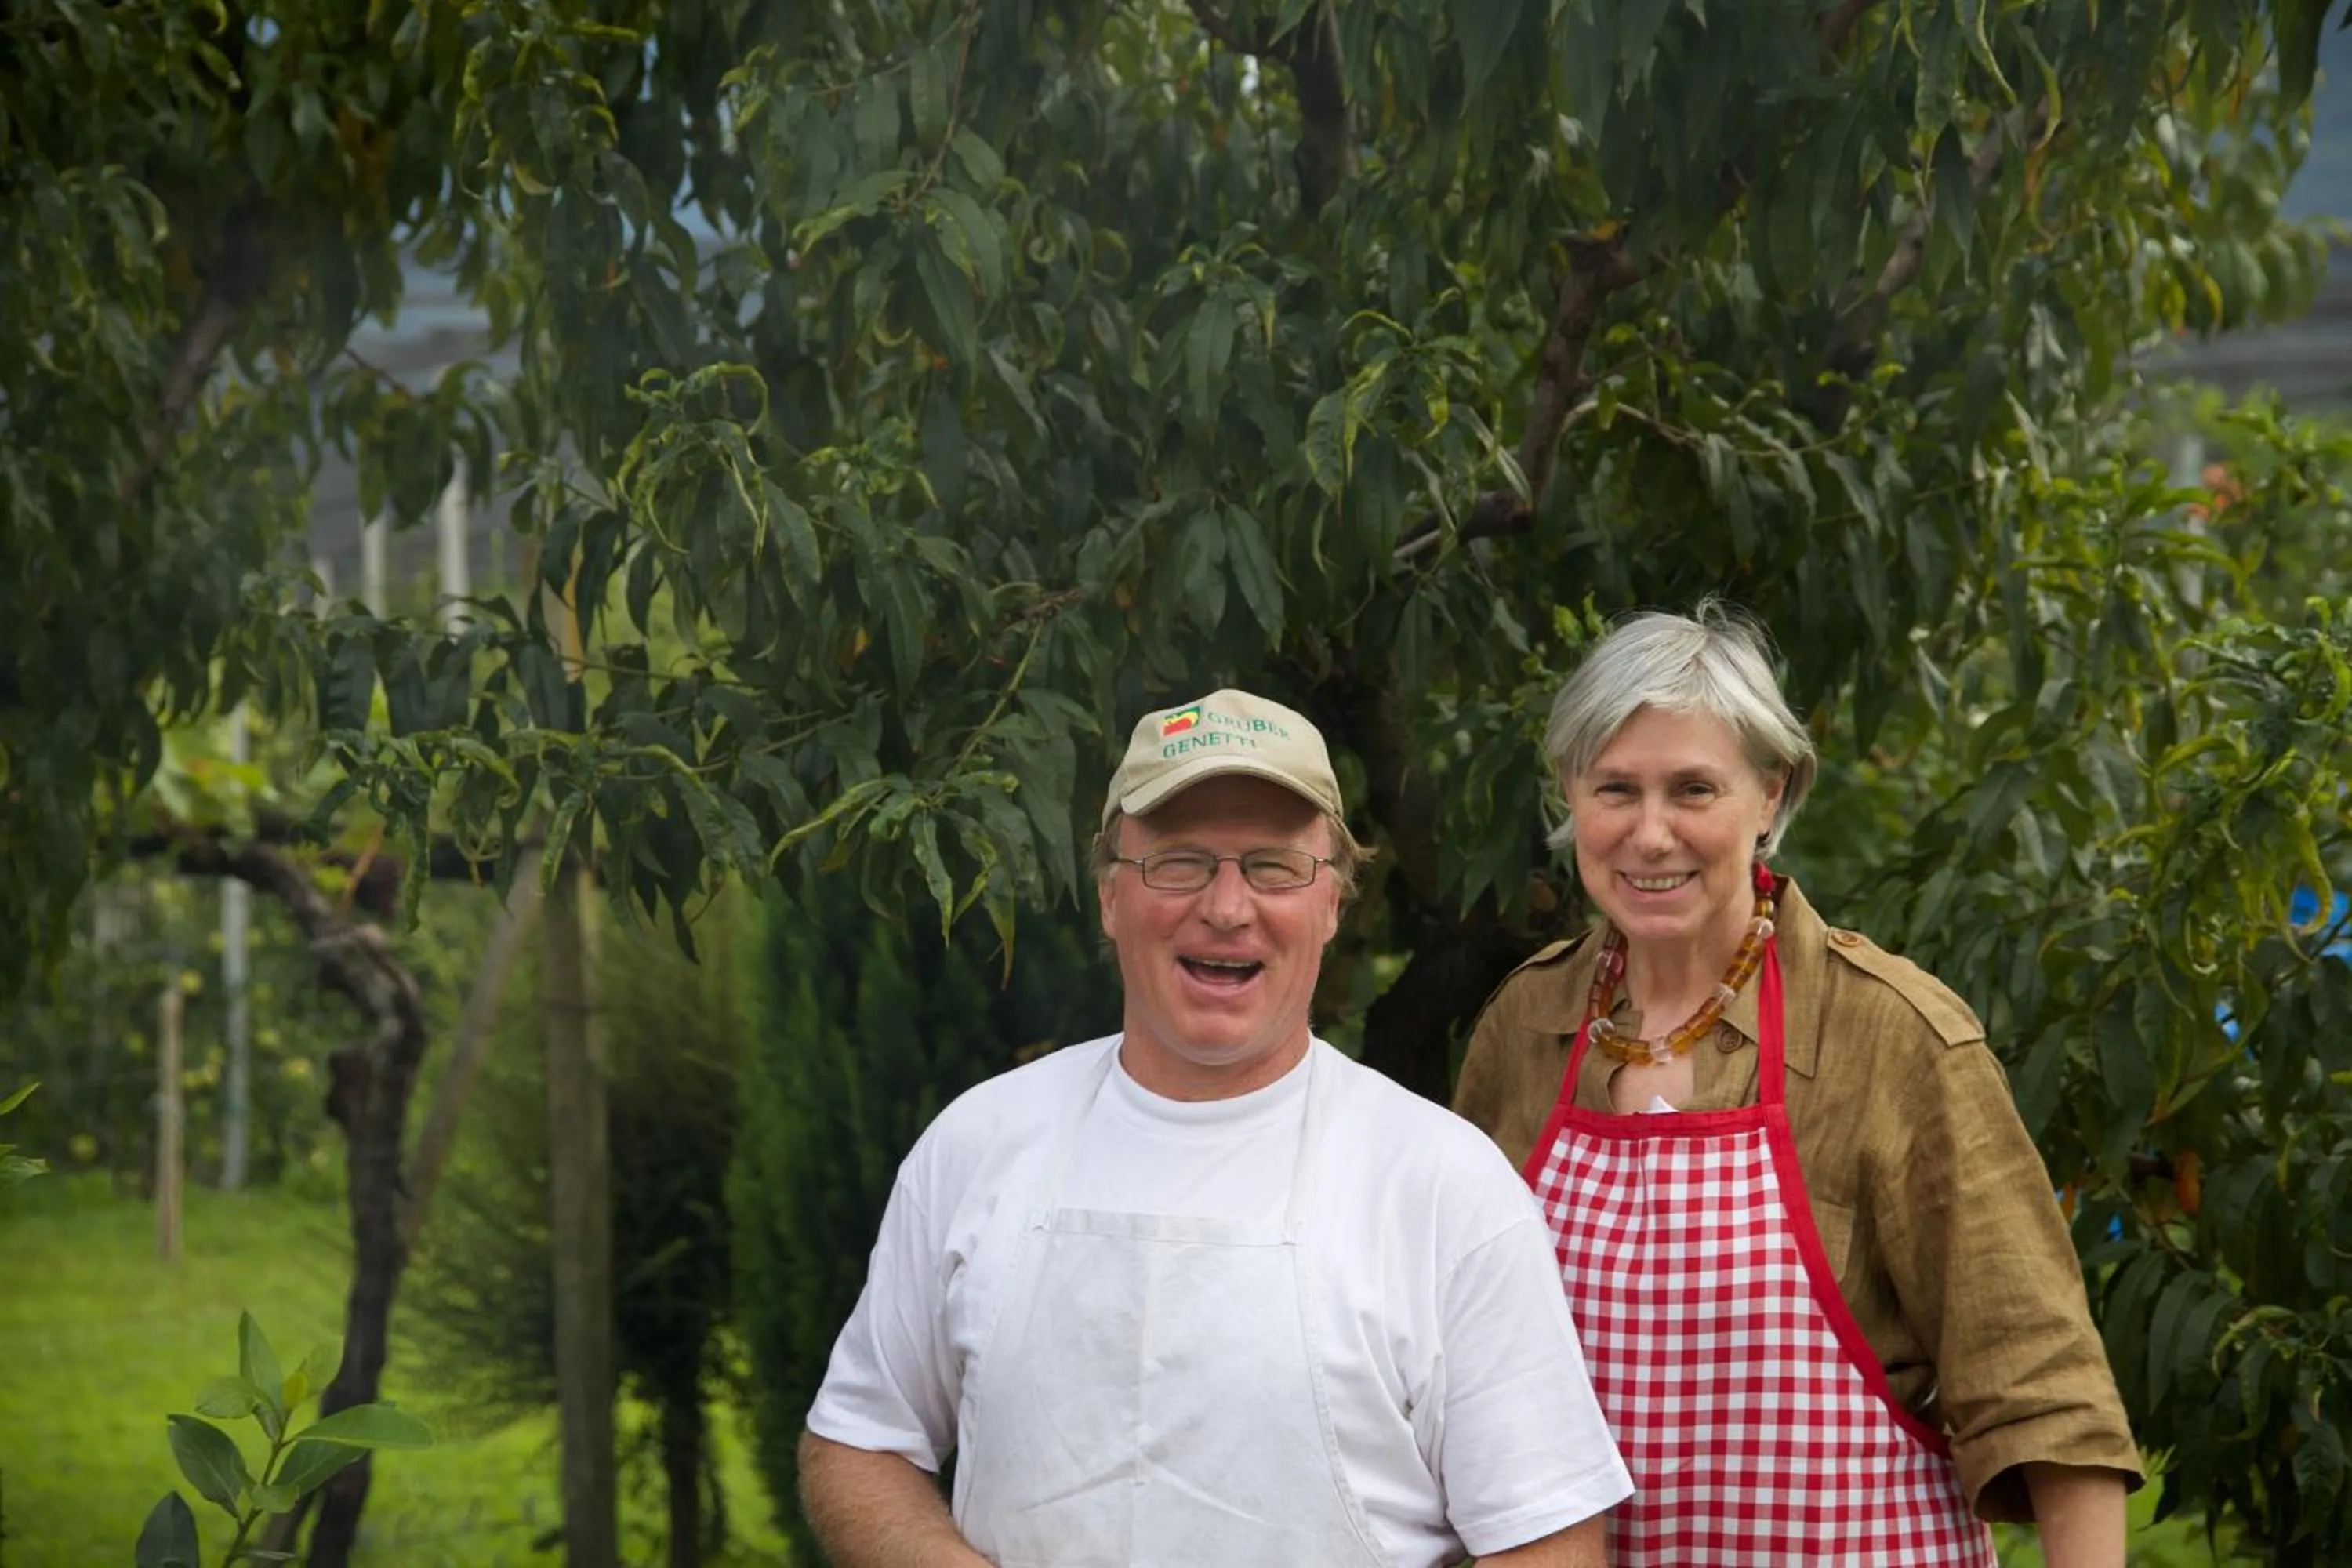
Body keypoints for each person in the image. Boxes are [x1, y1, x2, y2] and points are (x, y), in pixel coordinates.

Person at [800, 688, 1633, 1567]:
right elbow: (859, 1441)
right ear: (1111, 895)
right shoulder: (977, 1145)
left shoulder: (1443, 1185)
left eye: (1273, 865)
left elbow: (1552, 1540)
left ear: (1334, 905)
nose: (1228, 906)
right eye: (1180, 861)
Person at [1453, 604, 2143, 1566]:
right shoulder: (1523, 1027)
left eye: (1694, 788)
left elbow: (2044, 1387)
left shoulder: (1891, 1034)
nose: (1651, 834)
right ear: (1572, 794)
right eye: (1616, 788)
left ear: (1771, 794)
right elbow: (1453, 1363)